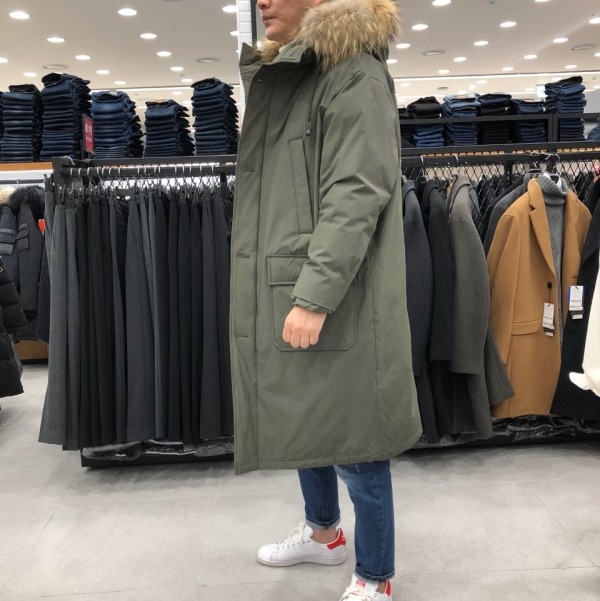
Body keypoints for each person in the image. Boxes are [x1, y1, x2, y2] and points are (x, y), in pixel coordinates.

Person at [230, 0, 422, 599]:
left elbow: (357, 192)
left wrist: (314, 295)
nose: (263, 2)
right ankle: (324, 534)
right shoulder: (301, 74)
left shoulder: (354, 74)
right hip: (292, 283)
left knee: (356, 439)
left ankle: (376, 575)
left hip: (337, 292)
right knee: (304, 420)